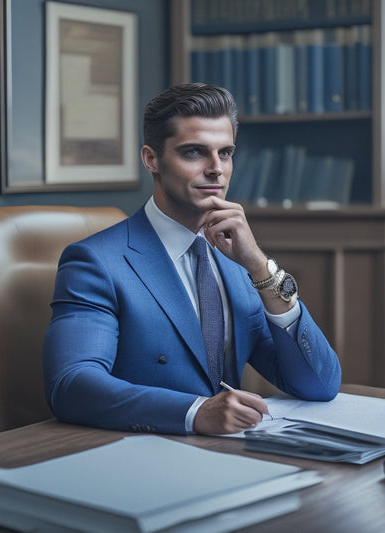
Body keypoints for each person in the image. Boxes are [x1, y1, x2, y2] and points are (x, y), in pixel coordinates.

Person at [42, 83, 341, 436]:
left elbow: (319, 385)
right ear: (151, 159)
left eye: (226, 153)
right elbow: (71, 385)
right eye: (194, 153)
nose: (216, 169)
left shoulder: (238, 264)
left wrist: (260, 266)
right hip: (140, 458)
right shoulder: (95, 263)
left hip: (233, 459)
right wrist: (196, 412)